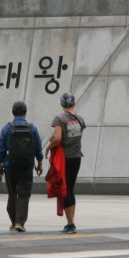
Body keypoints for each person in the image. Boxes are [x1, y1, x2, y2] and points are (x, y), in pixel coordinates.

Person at [0, 101, 43, 233]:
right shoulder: (32, 128)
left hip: (10, 165)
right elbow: (38, 148)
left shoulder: (7, 128)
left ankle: (13, 221)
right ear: (25, 112)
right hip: (27, 165)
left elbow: (1, 149)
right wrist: (40, 163)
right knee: (24, 194)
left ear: (13, 112)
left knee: (12, 194)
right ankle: (19, 222)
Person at [44, 92, 85, 234]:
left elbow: (57, 138)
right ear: (74, 103)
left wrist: (48, 148)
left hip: (64, 159)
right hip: (77, 157)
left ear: (62, 104)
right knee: (71, 188)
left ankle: (71, 224)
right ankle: (71, 221)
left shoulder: (59, 119)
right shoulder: (80, 119)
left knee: (65, 189)